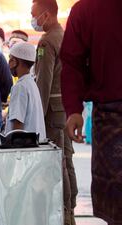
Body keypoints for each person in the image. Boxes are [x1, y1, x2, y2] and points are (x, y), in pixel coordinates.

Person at [60, 0, 122, 224]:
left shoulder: (85, 9)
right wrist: (74, 109)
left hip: (109, 117)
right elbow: (72, 63)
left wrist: (74, 109)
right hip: (110, 116)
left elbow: (72, 64)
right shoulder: (86, 9)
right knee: (117, 203)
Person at [31, 0, 77, 224]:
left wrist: (37, 114)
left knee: (56, 161)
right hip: (66, 108)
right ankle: (71, 209)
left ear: (46, 15)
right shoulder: (65, 35)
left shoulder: (46, 42)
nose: (33, 20)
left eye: (34, 15)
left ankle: (64, 212)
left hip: (51, 111)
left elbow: (44, 82)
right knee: (67, 159)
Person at [5, 42, 46, 140]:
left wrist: (15, 147)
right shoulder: (31, 83)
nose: (9, 62)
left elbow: (17, 124)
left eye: (10, 59)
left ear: (14, 62)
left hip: (24, 148)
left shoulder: (20, 87)